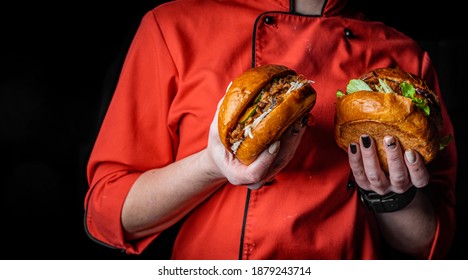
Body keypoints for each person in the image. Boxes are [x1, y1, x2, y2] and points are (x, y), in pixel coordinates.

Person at [84, 0, 457, 259]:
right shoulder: (173, 26)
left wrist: (390, 198)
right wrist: (211, 167)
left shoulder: (402, 52)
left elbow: (429, 245)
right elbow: (108, 213)